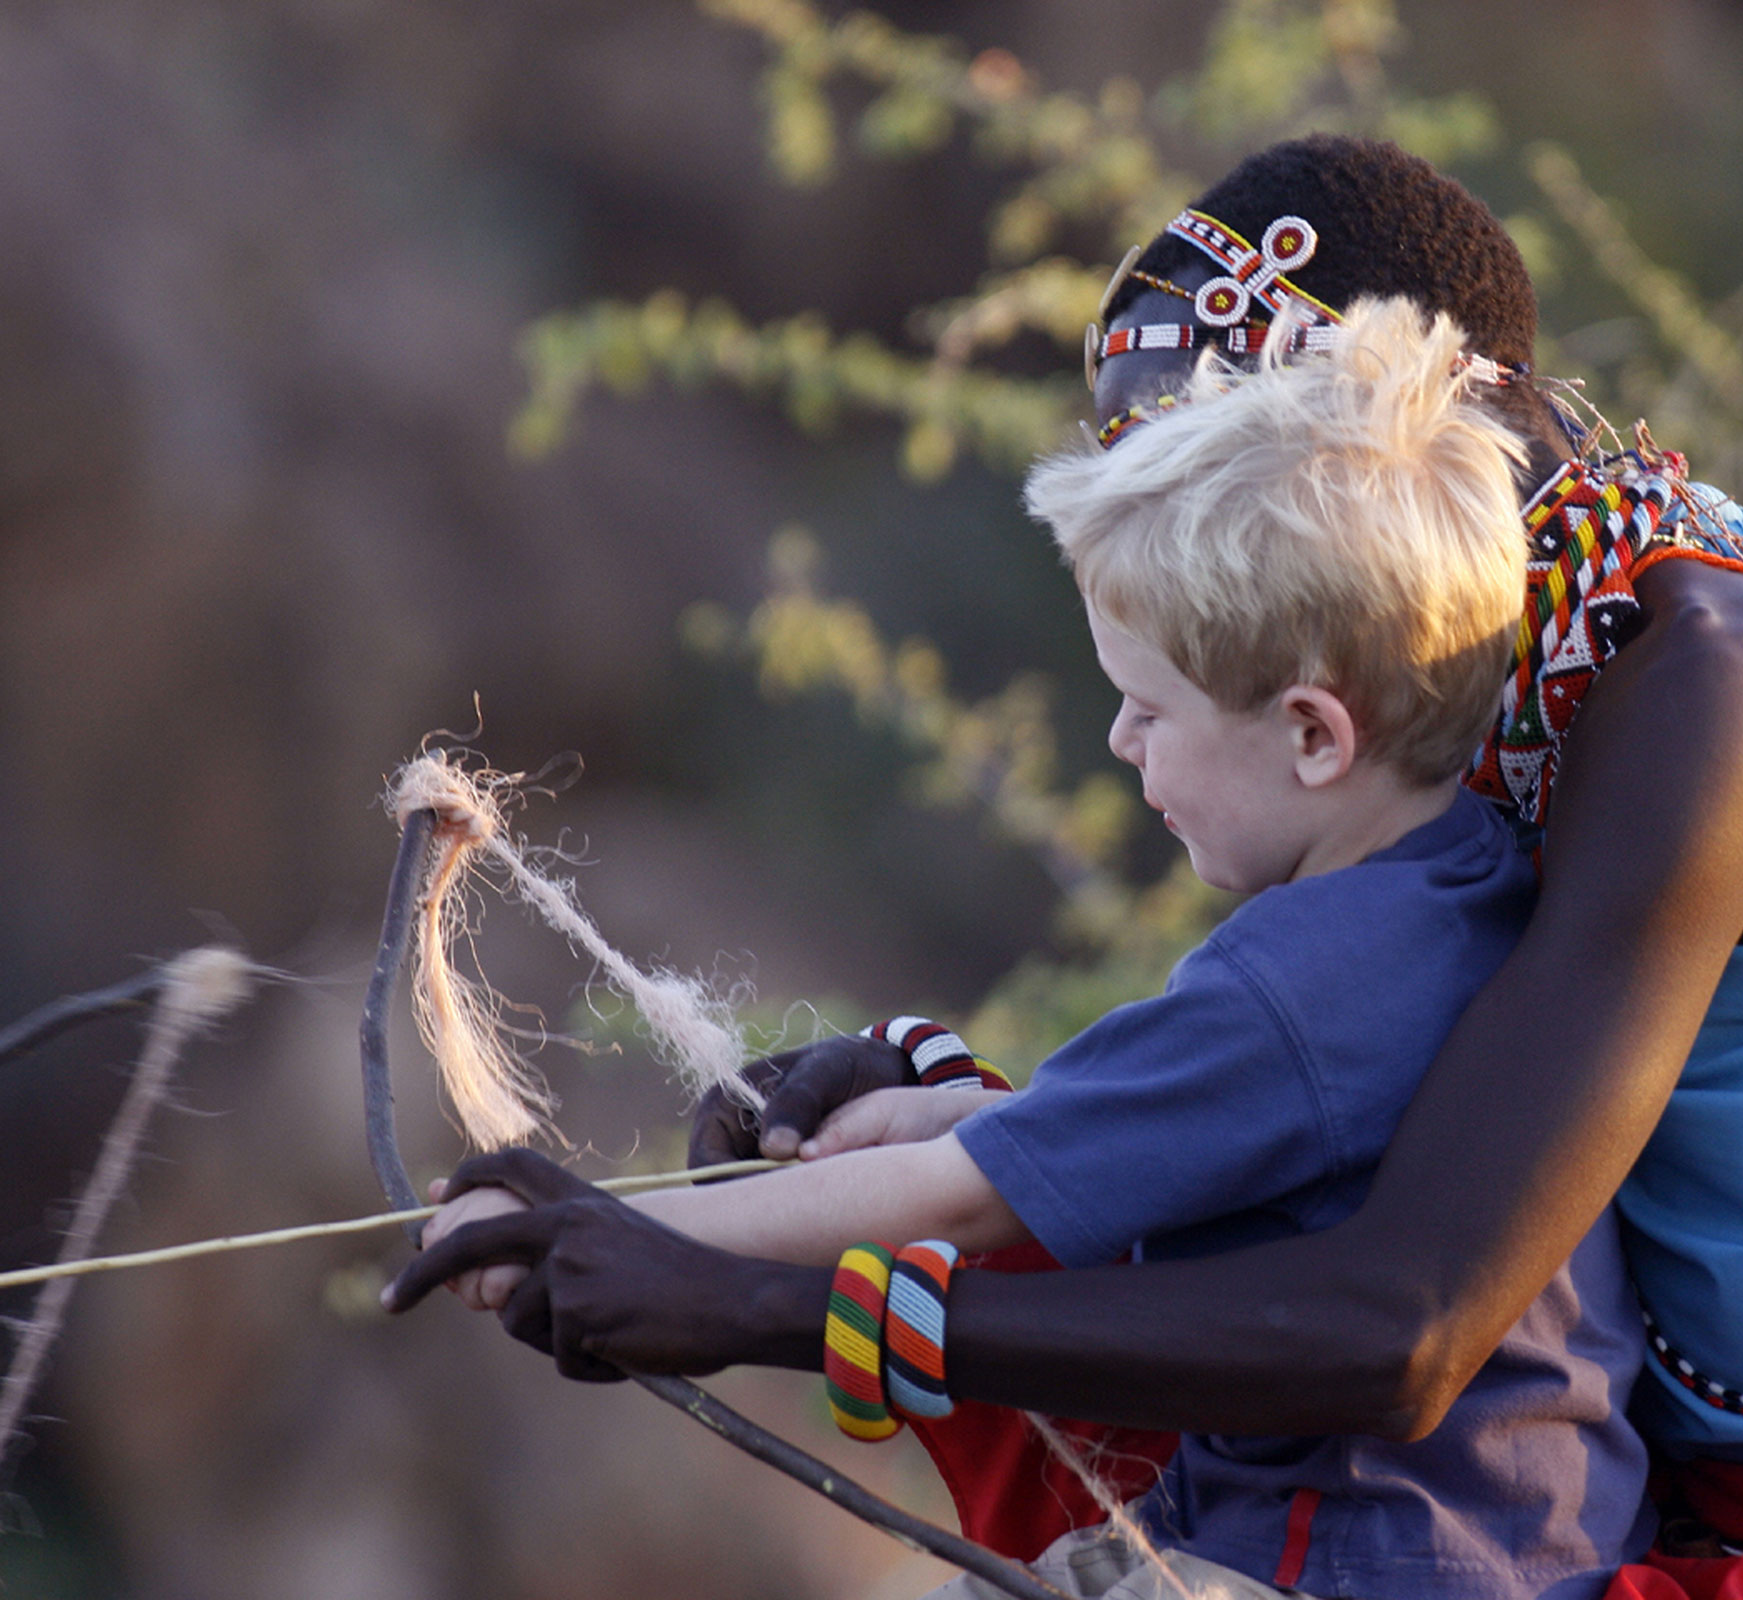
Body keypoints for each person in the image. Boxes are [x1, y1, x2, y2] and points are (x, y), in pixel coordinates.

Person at [392, 137, 1743, 1599]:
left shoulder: (1716, 697)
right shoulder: (1488, 662)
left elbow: (1408, 1324)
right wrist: (963, 1116)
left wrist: (772, 1309)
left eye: (1214, 484)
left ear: (1384, 448)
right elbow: (1386, 1130)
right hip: (1673, 1485)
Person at [404, 298, 1656, 1600]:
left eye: (1148, 706)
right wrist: (947, 1112)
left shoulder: (1292, 987)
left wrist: (620, 1233)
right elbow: (1055, 1153)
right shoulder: (1478, 882)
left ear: (1312, 737)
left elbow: (958, 1197)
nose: (1121, 745)